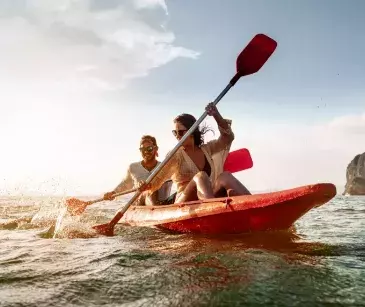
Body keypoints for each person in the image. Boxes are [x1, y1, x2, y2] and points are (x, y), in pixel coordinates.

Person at [138, 102, 251, 204]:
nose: (178, 136)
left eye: (181, 132)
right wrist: (146, 185)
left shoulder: (207, 149)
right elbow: (159, 178)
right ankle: (211, 209)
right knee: (200, 176)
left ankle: (253, 204)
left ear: (192, 131)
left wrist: (216, 115)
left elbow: (228, 137)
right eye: (175, 133)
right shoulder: (175, 155)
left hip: (208, 196)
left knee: (225, 176)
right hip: (184, 200)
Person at [103, 135, 172, 206]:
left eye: (149, 148)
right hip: (140, 204)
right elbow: (126, 184)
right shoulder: (133, 167)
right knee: (149, 192)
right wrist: (113, 193)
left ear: (156, 148)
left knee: (153, 191)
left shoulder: (166, 167)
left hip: (162, 204)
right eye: (143, 149)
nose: (146, 152)